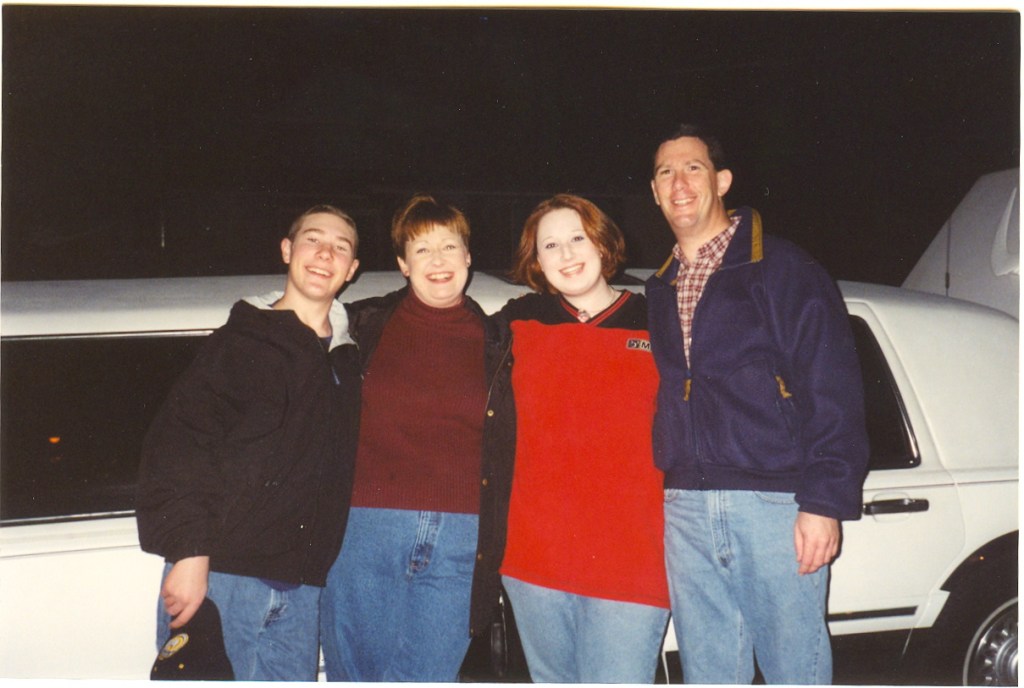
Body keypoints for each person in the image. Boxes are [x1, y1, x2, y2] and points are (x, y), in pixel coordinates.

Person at [645, 124, 870, 684]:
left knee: (796, 672)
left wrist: (824, 500)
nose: (679, 183)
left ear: (721, 181)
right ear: (653, 192)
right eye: (665, 172)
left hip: (774, 506)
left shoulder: (783, 268)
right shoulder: (661, 286)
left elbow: (832, 387)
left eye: (692, 167)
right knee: (709, 674)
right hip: (688, 508)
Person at [135, 204, 362, 681]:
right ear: (287, 250)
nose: (325, 254)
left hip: (301, 591)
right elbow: (178, 449)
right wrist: (189, 553)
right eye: (313, 240)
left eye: (340, 247)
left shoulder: (346, 361)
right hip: (223, 577)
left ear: (352, 269)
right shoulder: (238, 344)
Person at [319, 194, 515, 682]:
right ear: (403, 264)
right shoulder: (358, 324)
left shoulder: (504, 340)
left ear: (468, 257)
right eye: (422, 249)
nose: (439, 261)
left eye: (449, 246)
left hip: (462, 538)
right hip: (365, 529)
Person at [497, 194, 670, 683]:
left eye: (577, 237)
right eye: (550, 244)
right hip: (535, 561)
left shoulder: (656, 318)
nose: (567, 254)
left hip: (630, 563)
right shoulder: (519, 321)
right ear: (536, 260)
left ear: (602, 242)